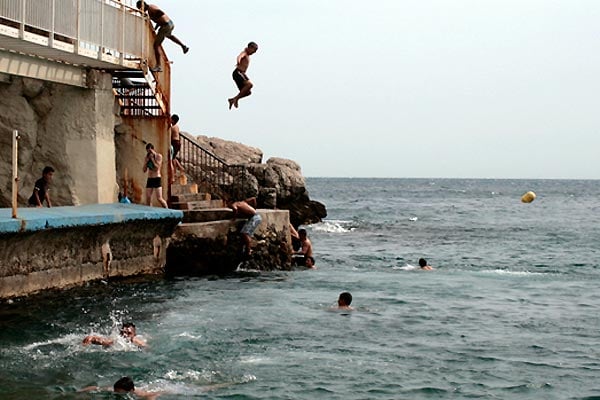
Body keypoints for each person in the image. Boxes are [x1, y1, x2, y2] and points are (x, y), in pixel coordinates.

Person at [136, 1, 189, 72]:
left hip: (165, 26)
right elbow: (159, 20)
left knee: (156, 45)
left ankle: (159, 66)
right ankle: (183, 46)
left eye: (141, 8)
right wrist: (156, 28)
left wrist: (155, 18)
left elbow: (160, 14)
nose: (141, 10)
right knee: (169, 36)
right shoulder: (151, 8)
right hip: (170, 24)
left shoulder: (151, 9)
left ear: (143, 5)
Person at [228, 42, 259, 109]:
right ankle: (236, 99)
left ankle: (233, 99)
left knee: (248, 92)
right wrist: (238, 61)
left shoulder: (248, 55)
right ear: (250, 48)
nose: (254, 52)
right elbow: (240, 56)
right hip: (238, 72)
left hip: (242, 74)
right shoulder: (244, 52)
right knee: (249, 85)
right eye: (254, 50)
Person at [81, 376, 160, 399]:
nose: (115, 392)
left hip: (160, 389)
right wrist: (80, 391)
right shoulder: (115, 389)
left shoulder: (140, 394)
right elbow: (96, 388)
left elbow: (153, 395)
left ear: (131, 390)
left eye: (118, 391)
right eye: (115, 390)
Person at [82, 322, 147, 348]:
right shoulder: (115, 340)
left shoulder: (136, 339)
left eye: (129, 333)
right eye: (123, 332)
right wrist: (84, 347)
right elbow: (89, 338)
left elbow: (145, 346)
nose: (125, 335)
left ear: (134, 334)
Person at [143, 143, 168, 208]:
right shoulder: (147, 158)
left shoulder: (158, 156)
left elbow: (157, 168)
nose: (149, 153)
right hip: (150, 178)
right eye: (148, 151)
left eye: (150, 151)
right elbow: (144, 170)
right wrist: (146, 162)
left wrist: (153, 160)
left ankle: (167, 209)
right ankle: (150, 211)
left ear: (153, 150)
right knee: (148, 197)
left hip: (157, 178)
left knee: (159, 198)